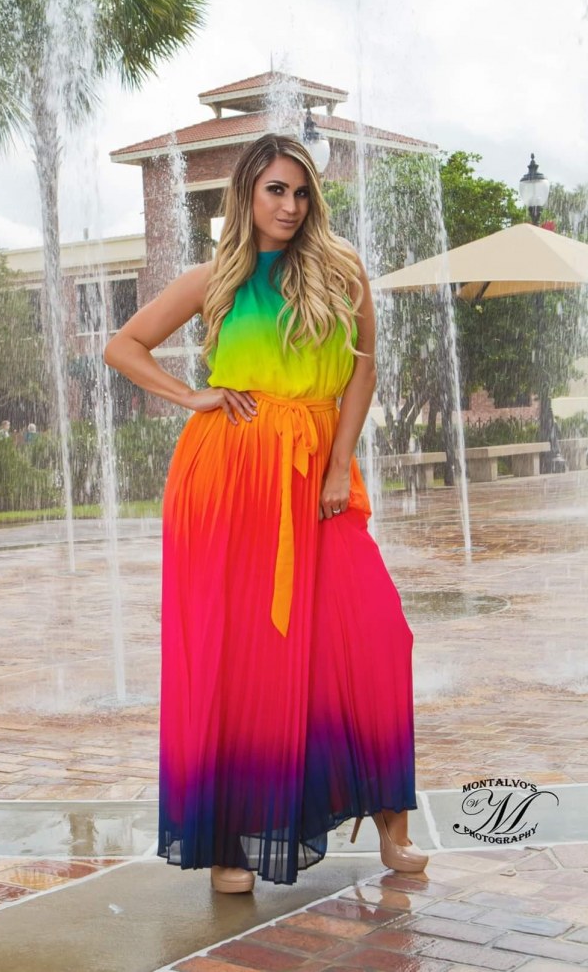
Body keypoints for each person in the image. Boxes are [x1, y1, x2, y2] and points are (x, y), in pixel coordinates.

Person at [104, 133, 427, 893]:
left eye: (301, 192)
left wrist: (340, 465)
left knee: (377, 635)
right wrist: (194, 395)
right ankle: (229, 840)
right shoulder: (212, 278)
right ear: (246, 194)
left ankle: (392, 825)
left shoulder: (342, 269)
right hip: (228, 475)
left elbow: (362, 372)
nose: (290, 205)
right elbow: (124, 346)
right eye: (275, 190)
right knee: (237, 653)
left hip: (316, 471)